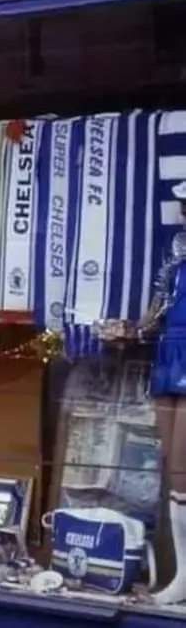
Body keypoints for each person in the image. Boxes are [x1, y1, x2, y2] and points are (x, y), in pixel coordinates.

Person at [138, 181, 186, 604]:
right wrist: (139, 327)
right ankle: (182, 575)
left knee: (185, 467)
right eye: (185, 207)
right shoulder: (176, 250)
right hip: (169, 350)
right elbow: (159, 304)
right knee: (172, 465)